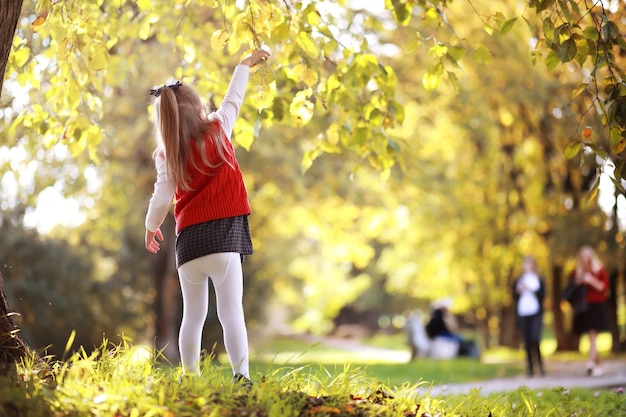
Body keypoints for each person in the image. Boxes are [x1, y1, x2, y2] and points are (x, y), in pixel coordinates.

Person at [143, 48, 271, 386]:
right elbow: (233, 100)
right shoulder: (217, 127)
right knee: (231, 313)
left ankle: (189, 377)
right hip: (223, 239)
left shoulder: (166, 154)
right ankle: (241, 376)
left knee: (193, 317)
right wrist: (243, 65)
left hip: (189, 246)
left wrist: (150, 227)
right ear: (199, 108)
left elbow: (161, 196)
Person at [566, 246, 610, 377]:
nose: (585, 259)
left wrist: (591, 280)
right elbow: (571, 290)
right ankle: (598, 366)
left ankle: (591, 363)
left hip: (597, 304)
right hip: (583, 306)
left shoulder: (599, 270)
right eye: (582, 257)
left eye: (587, 257)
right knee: (591, 338)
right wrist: (578, 281)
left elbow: (604, 288)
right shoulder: (577, 271)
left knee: (592, 336)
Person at [512, 256, 546, 376]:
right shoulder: (519, 280)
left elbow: (542, 295)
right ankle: (530, 368)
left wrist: (530, 289)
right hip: (523, 313)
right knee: (526, 341)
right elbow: (513, 297)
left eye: (529, 264)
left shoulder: (538, 279)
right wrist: (518, 291)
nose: (526, 266)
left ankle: (540, 365)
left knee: (534, 339)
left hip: (535, 312)